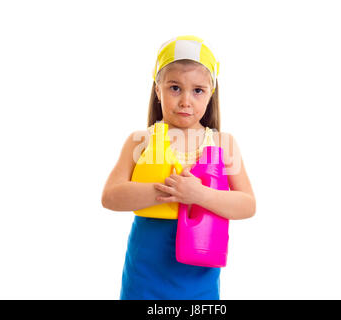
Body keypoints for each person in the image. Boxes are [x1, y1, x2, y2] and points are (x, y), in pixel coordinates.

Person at [101, 35, 256, 300]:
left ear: (211, 93)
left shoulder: (222, 143)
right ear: (157, 89)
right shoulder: (141, 141)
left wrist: (200, 196)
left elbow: (247, 204)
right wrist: (166, 191)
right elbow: (110, 197)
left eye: (198, 90)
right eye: (175, 88)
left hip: (199, 275)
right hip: (146, 273)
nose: (186, 100)